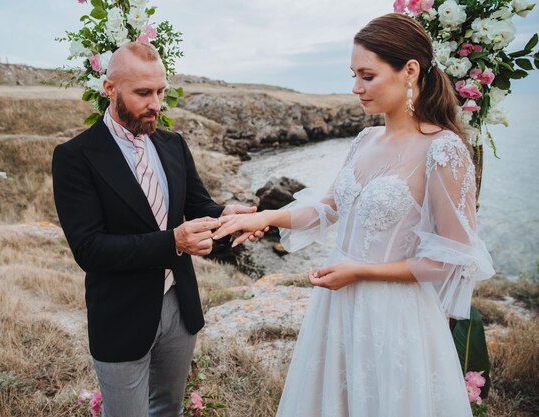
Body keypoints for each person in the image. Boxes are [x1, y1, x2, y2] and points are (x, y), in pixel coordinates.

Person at [213, 13, 494, 417]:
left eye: (367, 76)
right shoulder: (365, 139)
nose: (355, 88)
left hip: (394, 316)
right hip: (338, 308)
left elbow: (449, 258)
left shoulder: (443, 150)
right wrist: (264, 218)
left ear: (409, 71)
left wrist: (361, 272)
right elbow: (329, 208)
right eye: (353, 75)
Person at [52, 42, 259, 417]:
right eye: (143, 93)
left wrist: (228, 215)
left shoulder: (172, 144)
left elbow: (198, 205)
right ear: (109, 89)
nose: (156, 104)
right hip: (121, 315)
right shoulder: (74, 157)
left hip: (180, 308)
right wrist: (174, 241)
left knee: (169, 409)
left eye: (161, 91)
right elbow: (90, 249)